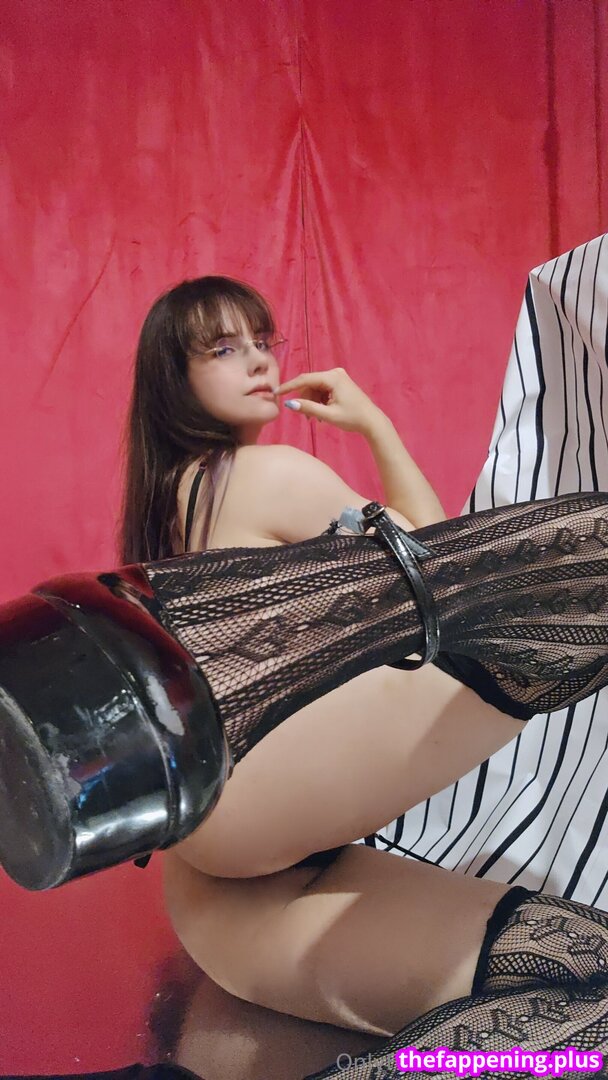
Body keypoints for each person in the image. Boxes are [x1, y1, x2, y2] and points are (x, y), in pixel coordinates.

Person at [115, 275, 608, 1051]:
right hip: (249, 823)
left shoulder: (176, 500)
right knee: (566, 580)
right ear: (172, 379)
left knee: (576, 976)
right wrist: (376, 425)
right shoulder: (262, 474)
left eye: (262, 342)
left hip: (224, 899)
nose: (260, 361)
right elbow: (448, 567)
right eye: (224, 349)